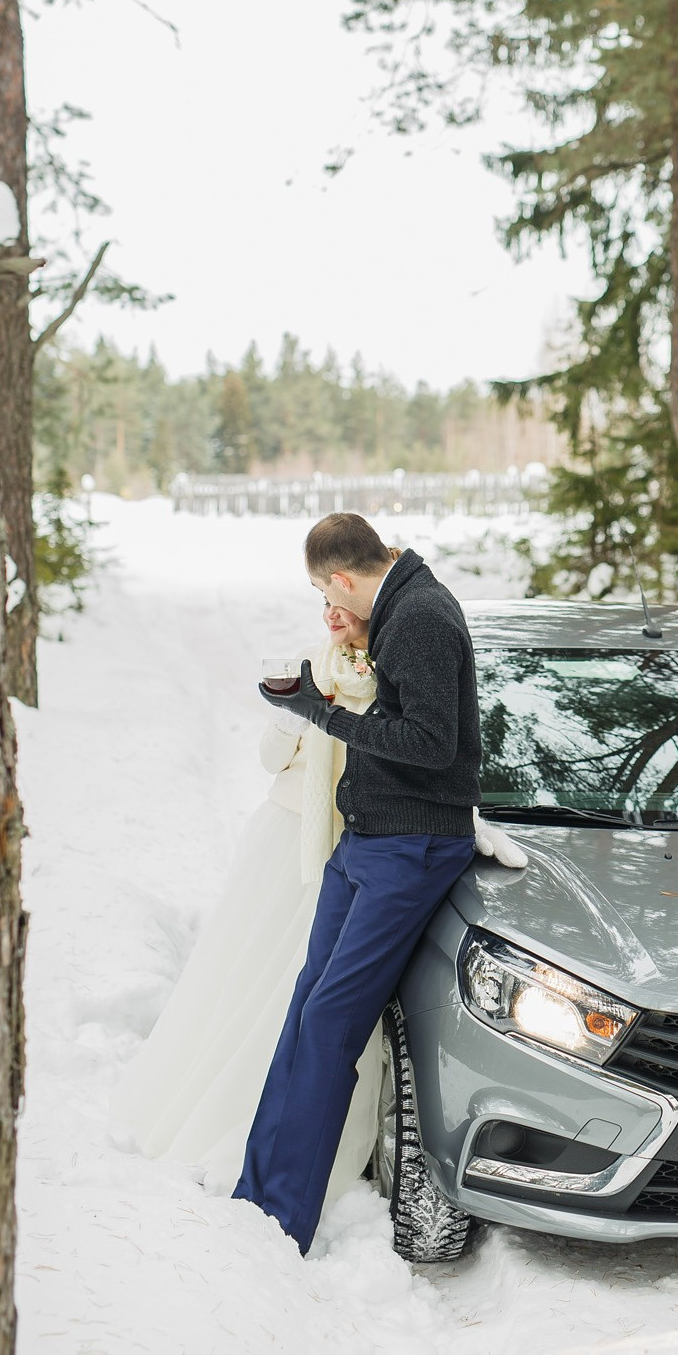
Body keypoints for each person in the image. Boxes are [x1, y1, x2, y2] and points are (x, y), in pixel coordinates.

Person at [233, 512, 501, 1256]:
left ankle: (284, 1218)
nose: (328, 601)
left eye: (325, 588)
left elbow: (430, 743)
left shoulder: (419, 616)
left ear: (343, 577)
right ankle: (255, 1193)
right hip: (367, 839)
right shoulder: (397, 611)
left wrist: (318, 713)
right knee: (307, 1006)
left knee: (332, 1021)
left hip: (411, 847)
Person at [113, 602, 385, 1205]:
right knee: (254, 976)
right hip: (291, 836)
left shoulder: (393, 670)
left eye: (343, 607)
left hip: (358, 845)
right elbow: (270, 759)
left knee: (318, 989)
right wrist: (297, 712)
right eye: (325, 607)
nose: (332, 618)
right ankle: (224, 1107)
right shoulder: (313, 663)